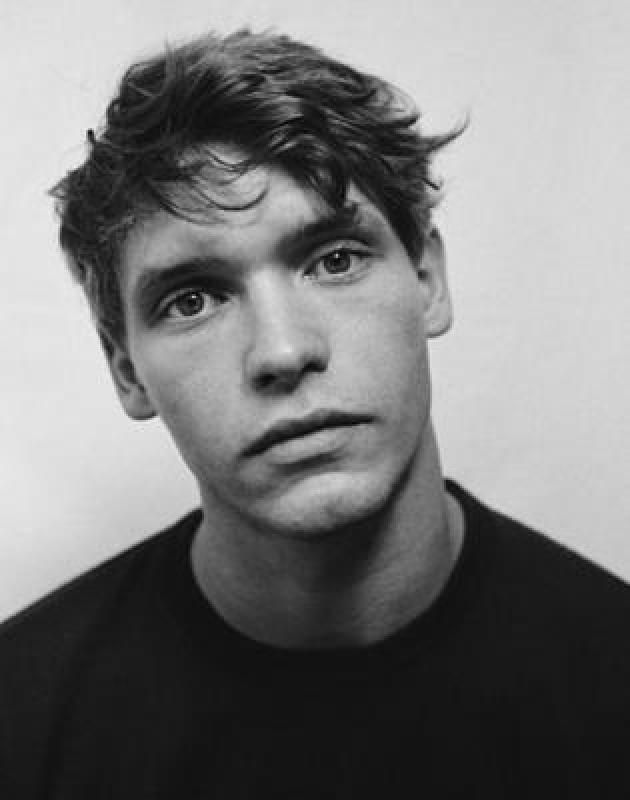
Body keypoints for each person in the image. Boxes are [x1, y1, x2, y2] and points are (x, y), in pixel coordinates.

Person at [1, 29, 629, 799]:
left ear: (427, 279)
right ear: (126, 369)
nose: (284, 350)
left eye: (335, 259)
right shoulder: (19, 724)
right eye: (193, 299)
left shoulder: (611, 678)